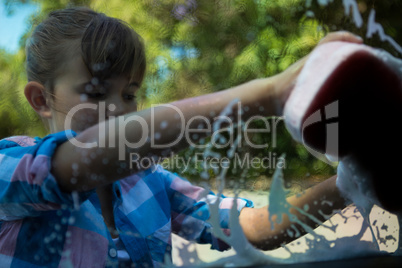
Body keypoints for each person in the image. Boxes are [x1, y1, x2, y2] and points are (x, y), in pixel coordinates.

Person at [0, 6, 364, 267]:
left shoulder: (151, 182)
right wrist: (270, 95)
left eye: (129, 94)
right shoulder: (9, 164)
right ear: (41, 99)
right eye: (95, 93)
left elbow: (254, 226)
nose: (120, 110)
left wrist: (354, 181)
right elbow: (82, 162)